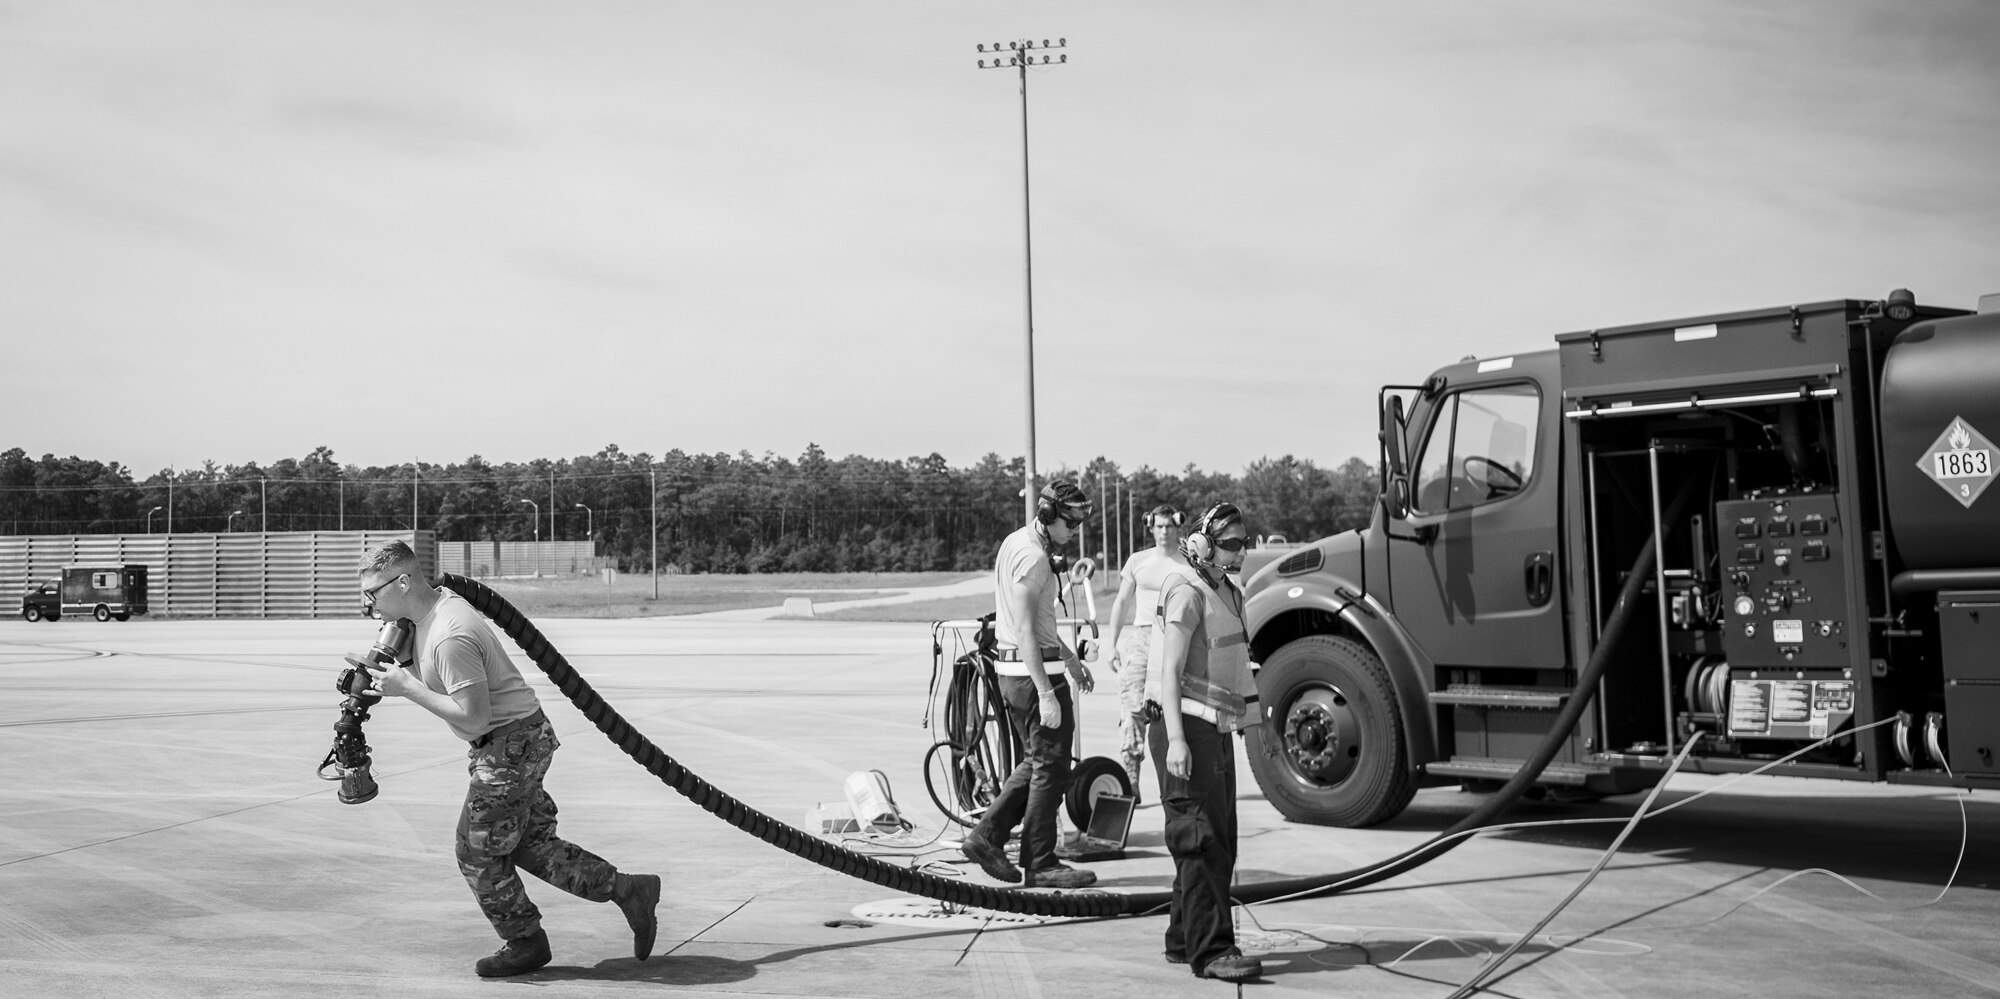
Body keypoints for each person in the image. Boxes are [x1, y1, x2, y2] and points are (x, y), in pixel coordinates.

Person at [354, 540, 661, 978]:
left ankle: (525, 942)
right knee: (531, 846)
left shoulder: (449, 634)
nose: (369, 604)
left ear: (403, 582)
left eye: (374, 593)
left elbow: (475, 718)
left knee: (475, 852)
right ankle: (630, 890)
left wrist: (408, 689)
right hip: (518, 739)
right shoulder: (426, 615)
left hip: (507, 746)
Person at [958, 481, 1100, 890]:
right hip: (1030, 675)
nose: (1076, 529)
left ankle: (987, 837)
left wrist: (1071, 661)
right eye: (1071, 520)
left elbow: (1040, 622)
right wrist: (1045, 691)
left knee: (1037, 762)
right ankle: (1039, 860)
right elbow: (1023, 629)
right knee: (1051, 769)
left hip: (1030, 670)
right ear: (1049, 515)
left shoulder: (1017, 542)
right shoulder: (1033, 557)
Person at [1145, 503, 1263, 981]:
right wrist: (1176, 739)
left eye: (1243, 542)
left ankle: (1183, 938)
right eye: (1231, 543)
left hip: (1212, 730)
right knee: (1199, 840)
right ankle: (1212, 951)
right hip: (1184, 732)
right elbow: (1170, 671)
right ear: (1201, 545)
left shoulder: (1227, 592)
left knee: (1219, 841)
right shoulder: (1186, 592)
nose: (1241, 551)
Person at [1104, 504, 1188, 802]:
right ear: (1150, 527)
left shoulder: (1188, 563)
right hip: (1142, 638)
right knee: (1132, 709)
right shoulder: (1138, 562)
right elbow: (1121, 602)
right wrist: (1111, 643)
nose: (1164, 531)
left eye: (1170, 525)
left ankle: (1178, 782)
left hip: (1176, 638)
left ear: (1179, 526)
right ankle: (1130, 783)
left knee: (1177, 709)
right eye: (1159, 526)